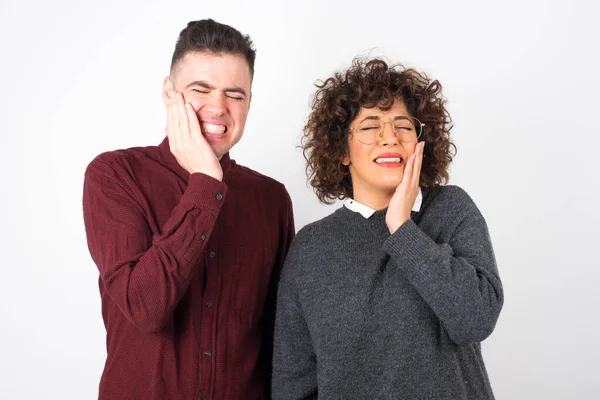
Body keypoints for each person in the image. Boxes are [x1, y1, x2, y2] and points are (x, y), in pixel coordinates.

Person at [83, 19, 294, 400]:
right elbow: (145, 308)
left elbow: (280, 337)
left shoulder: (271, 199)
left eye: (235, 94)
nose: (218, 107)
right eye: (201, 89)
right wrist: (206, 184)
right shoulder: (114, 176)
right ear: (170, 93)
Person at [272, 58, 503, 399]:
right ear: (342, 152)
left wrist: (402, 229)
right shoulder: (311, 248)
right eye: (369, 127)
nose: (389, 137)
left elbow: (476, 319)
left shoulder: (451, 210)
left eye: (403, 126)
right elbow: (293, 380)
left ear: (421, 142)